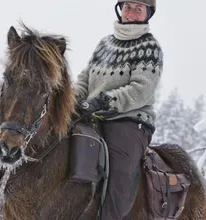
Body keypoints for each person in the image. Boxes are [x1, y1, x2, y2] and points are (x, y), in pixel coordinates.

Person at [73, 0, 163, 219]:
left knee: (119, 169)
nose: (130, 12)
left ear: (148, 14)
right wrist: (73, 100)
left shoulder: (150, 47)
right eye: (127, 7)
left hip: (129, 121)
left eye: (138, 8)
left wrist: (104, 101)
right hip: (91, 114)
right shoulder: (104, 44)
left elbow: (140, 90)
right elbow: (85, 79)